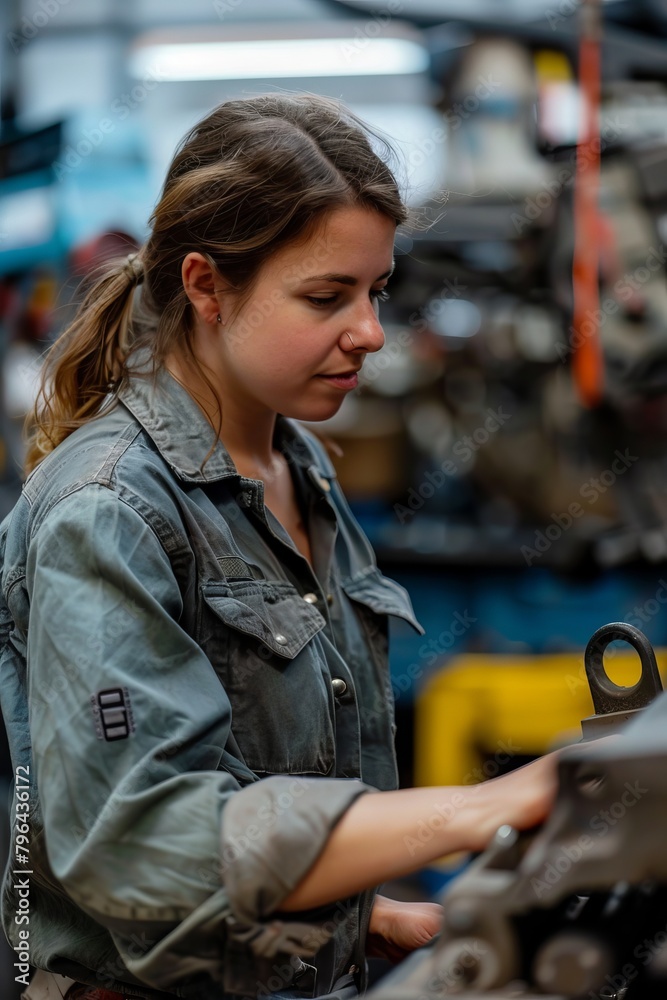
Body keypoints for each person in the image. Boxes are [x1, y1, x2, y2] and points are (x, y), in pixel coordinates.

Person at [0, 93, 559, 1000]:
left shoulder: (294, 461)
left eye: (374, 291)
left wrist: (353, 917)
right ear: (205, 286)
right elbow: (138, 839)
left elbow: (246, 775)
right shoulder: (108, 511)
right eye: (325, 296)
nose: (371, 332)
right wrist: (481, 807)